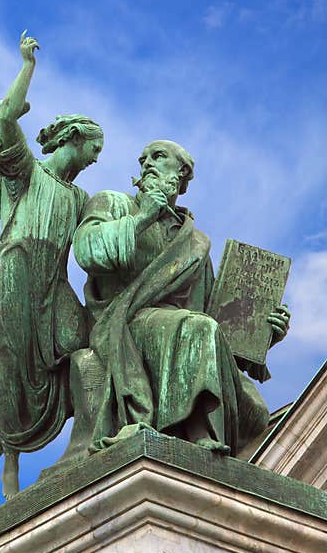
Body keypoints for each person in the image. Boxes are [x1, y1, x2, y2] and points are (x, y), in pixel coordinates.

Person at [71, 140, 291, 454]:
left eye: (158, 157)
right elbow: (88, 251)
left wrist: (263, 335)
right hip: (123, 321)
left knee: (254, 410)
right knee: (197, 327)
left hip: (183, 331)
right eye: (143, 159)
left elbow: (216, 321)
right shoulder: (113, 203)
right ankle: (196, 428)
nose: (147, 163)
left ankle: (196, 425)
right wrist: (143, 218)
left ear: (182, 174)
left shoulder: (196, 242)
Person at [0, 32, 104, 498]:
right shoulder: (27, 170)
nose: (98, 156)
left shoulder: (79, 197)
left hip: (53, 282)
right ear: (74, 139)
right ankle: (10, 454)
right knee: (14, 364)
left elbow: (95, 246)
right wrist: (27, 66)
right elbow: (5, 116)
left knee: (86, 344)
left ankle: (90, 434)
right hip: (14, 268)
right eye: (95, 146)